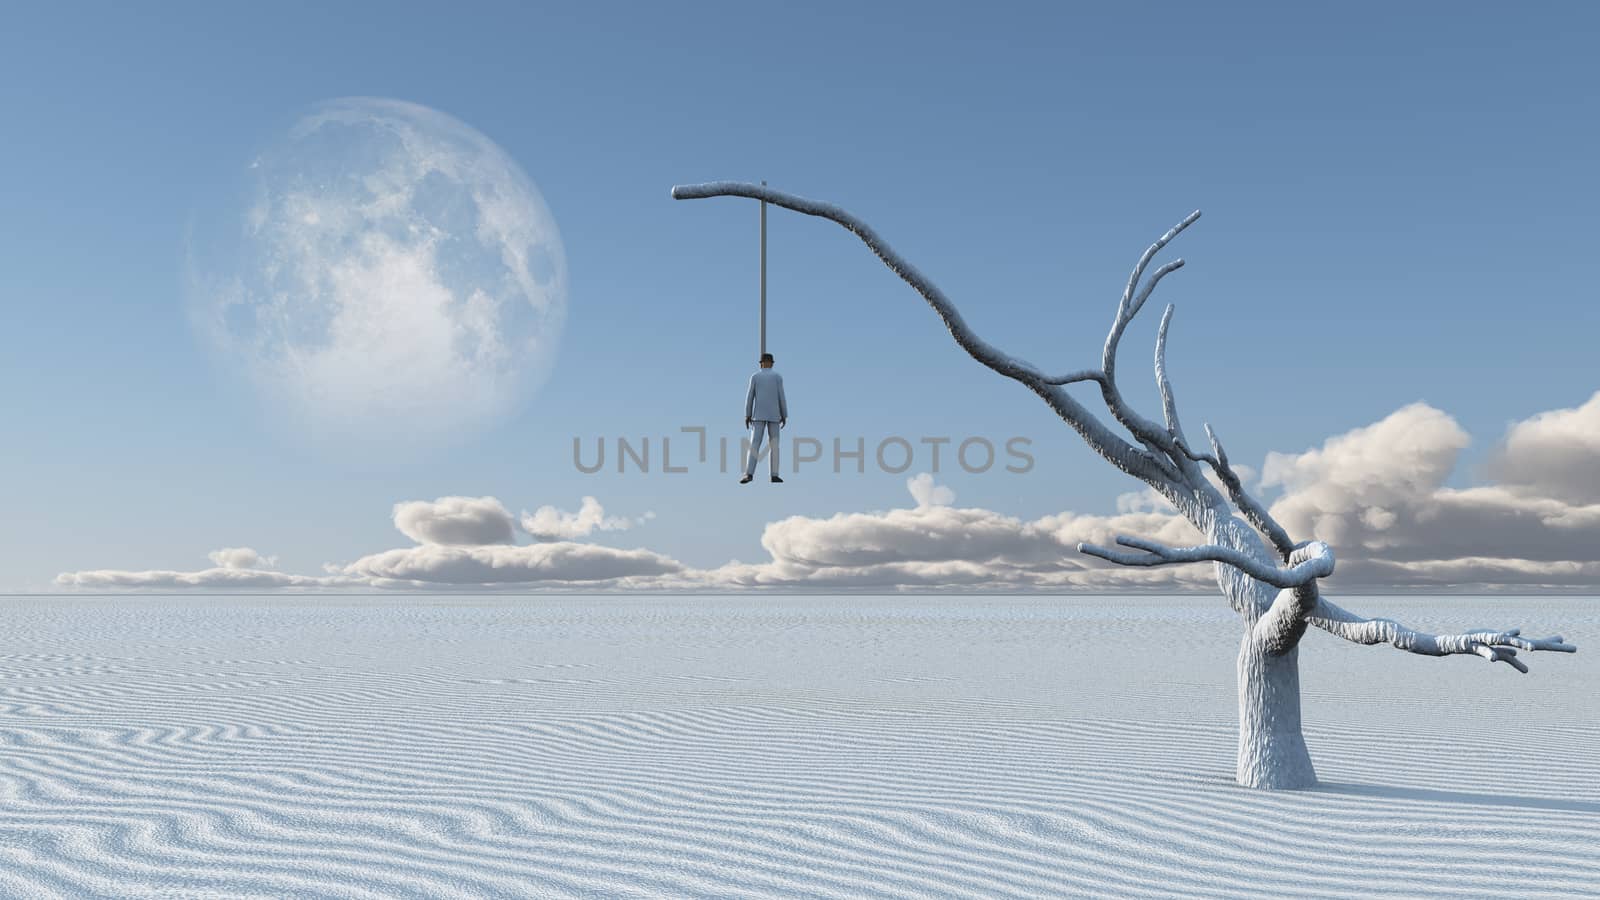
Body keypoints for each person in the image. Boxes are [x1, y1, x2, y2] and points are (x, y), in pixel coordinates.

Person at [741, 352, 788, 484]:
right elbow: (781, 397)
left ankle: (749, 473)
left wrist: (747, 413)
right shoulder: (777, 377)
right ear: (772, 363)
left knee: (755, 444)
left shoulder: (755, 376)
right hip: (773, 415)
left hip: (759, 415)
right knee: (774, 445)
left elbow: (749, 396)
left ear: (761, 363)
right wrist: (784, 414)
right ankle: (773, 474)